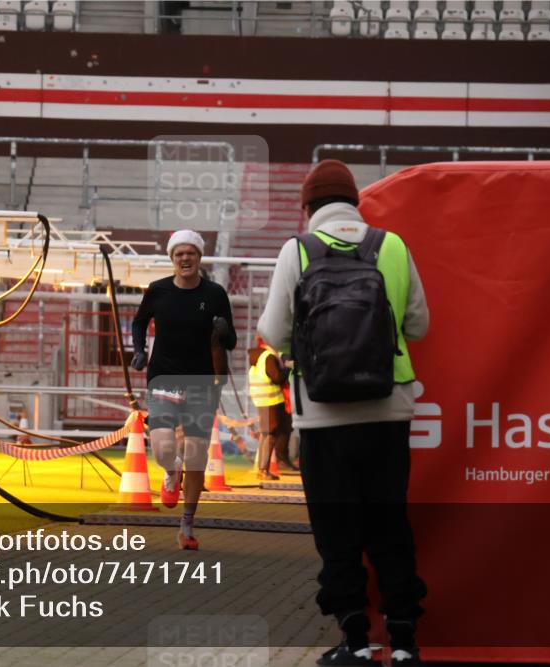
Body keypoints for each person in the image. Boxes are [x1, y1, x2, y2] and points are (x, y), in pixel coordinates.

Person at [257, 160, 429, 666]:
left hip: (322, 417)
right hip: (388, 410)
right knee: (389, 526)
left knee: (338, 535)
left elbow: (274, 332)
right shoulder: (392, 246)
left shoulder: (298, 250)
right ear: (355, 202)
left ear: (307, 207)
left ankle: (355, 641)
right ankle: (403, 644)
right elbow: (418, 325)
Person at [130, 229, 236, 550]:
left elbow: (229, 342)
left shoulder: (216, 293)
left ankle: (187, 526)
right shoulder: (158, 290)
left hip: (202, 381)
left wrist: (223, 330)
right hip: (164, 377)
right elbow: (138, 322)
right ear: (172, 259)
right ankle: (170, 469)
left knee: (196, 453)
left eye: (190, 253)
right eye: (179, 254)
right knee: (163, 447)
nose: (185, 259)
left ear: (199, 257)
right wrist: (138, 349)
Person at [247, 336, 296, 480]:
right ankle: (263, 470)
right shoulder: (268, 357)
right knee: (271, 435)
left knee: (265, 434)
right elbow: (277, 377)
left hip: (261, 400)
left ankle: (261, 469)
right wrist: (287, 367)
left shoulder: (257, 357)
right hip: (271, 400)